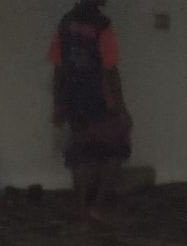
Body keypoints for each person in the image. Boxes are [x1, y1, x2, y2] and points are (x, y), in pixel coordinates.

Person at [49, 1, 132, 212]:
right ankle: (97, 207)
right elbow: (110, 70)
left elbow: (58, 68)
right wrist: (122, 108)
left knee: (81, 156)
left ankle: (81, 208)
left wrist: (59, 104)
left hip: (74, 100)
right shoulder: (102, 26)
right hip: (101, 101)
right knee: (114, 152)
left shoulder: (65, 23)